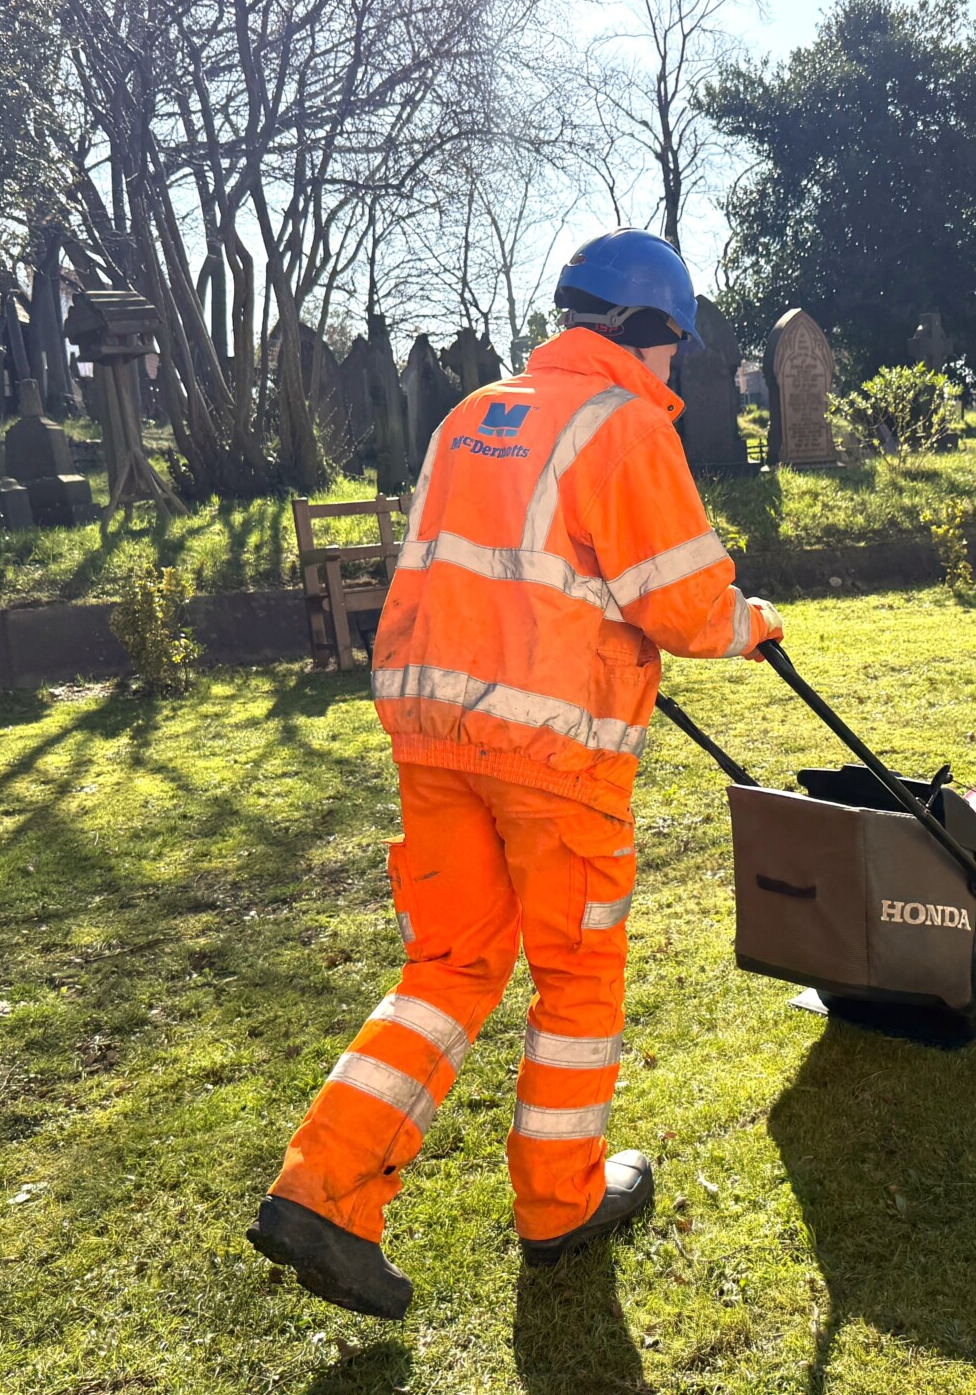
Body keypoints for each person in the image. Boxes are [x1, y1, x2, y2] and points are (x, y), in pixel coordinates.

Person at [246, 228, 782, 1318]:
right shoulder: (623, 423)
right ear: (648, 328)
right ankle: (558, 1204)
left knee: (448, 964)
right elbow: (684, 605)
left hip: (433, 731)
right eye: (674, 344)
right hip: (551, 753)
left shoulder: (472, 415)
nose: (674, 364)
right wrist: (755, 622)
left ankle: (321, 1192)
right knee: (575, 974)